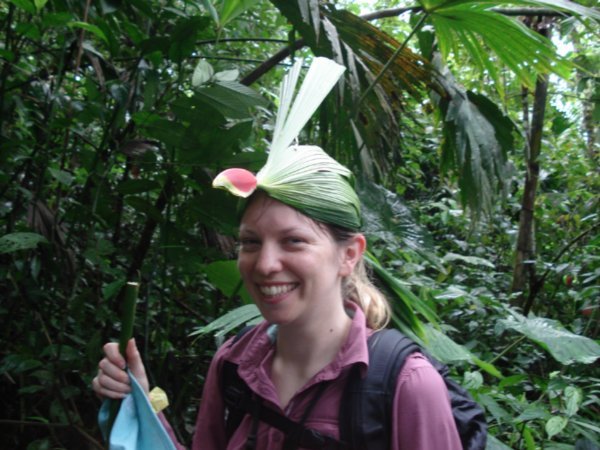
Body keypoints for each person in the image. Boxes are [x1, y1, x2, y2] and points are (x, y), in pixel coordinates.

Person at [92, 58, 463, 450]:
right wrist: (139, 405)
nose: (265, 265)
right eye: (250, 242)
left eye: (294, 241)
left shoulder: (406, 385)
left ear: (349, 254)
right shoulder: (234, 364)